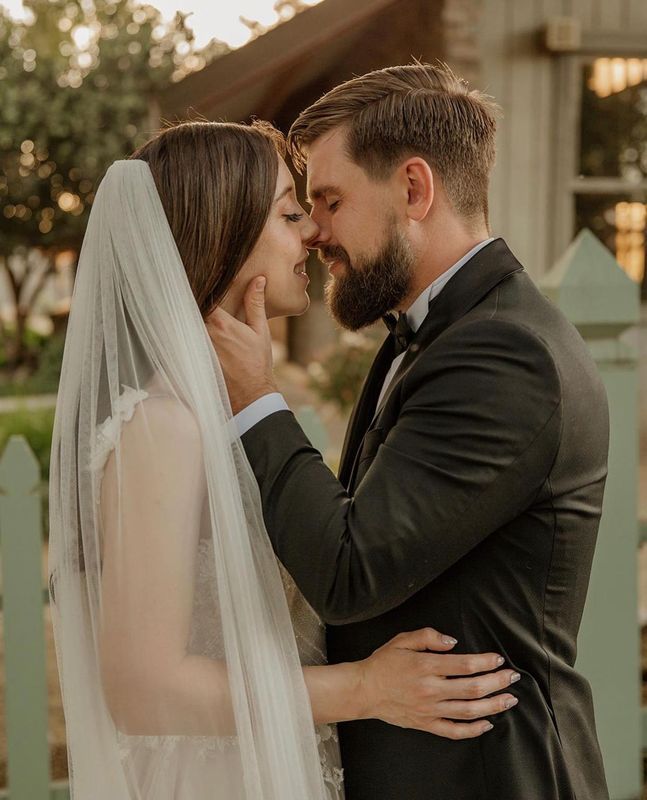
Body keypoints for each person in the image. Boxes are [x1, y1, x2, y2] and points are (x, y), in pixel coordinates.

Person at [48, 120, 518, 800]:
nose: (311, 234)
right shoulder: (162, 426)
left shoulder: (222, 413)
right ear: (222, 233)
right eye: (288, 212)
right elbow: (143, 691)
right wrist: (364, 689)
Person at [208, 64, 611, 800]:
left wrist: (257, 397)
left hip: (485, 779)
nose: (317, 231)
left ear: (414, 189)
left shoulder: (502, 354)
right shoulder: (429, 337)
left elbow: (348, 569)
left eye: (329, 200)